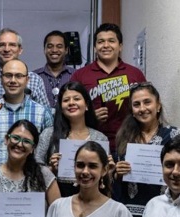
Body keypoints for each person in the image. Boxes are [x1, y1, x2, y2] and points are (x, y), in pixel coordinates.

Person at [113, 82, 180, 217]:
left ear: (158, 106)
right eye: (136, 104)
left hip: (164, 214)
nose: (142, 108)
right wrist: (117, 173)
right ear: (132, 110)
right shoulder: (124, 138)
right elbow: (115, 180)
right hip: (129, 215)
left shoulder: (174, 135)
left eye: (147, 102)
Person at [70, 23, 147, 153]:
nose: (106, 45)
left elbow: (145, 105)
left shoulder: (135, 74)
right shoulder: (80, 75)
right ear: (95, 47)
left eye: (111, 41)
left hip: (130, 141)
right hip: (91, 143)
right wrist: (90, 117)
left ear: (120, 46)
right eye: (101, 42)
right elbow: (69, 110)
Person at [35, 81, 109, 197]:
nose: (71, 103)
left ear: (87, 105)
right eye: (66, 100)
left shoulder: (100, 138)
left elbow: (105, 178)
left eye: (76, 99)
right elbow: (34, 170)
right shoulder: (48, 134)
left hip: (92, 200)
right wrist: (51, 169)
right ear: (61, 107)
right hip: (57, 198)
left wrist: (109, 169)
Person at [0, 59, 53, 170]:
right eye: (8, 75)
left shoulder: (42, 113)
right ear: (1, 79)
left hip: (31, 182)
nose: (13, 80)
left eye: (19, 76)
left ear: (27, 80)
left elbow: (48, 150)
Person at [0, 28, 50, 108]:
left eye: (12, 45)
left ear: (20, 50)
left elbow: (46, 114)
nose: (7, 49)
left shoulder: (35, 80)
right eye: (2, 45)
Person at [33, 30, 75, 109]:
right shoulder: (34, 77)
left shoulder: (76, 75)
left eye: (59, 46)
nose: (54, 50)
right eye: (50, 46)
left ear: (66, 50)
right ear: (44, 49)